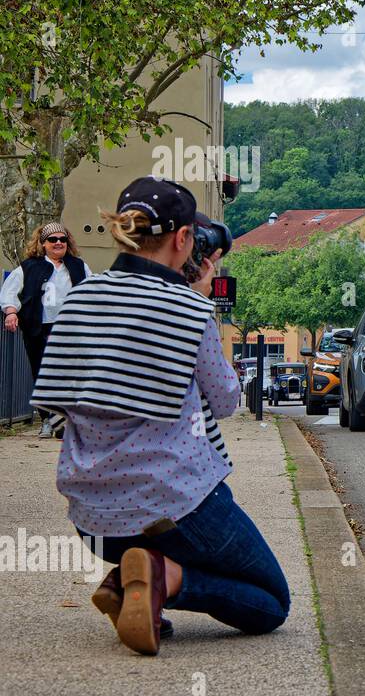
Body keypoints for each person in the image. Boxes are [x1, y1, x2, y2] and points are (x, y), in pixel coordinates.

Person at [29, 177, 289, 656]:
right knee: (272, 603)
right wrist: (200, 302)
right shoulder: (189, 308)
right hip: (171, 509)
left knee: (199, 505)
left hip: (94, 519)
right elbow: (228, 400)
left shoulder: (81, 298)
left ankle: (135, 582)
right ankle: (160, 578)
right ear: (184, 239)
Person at [1, 222, 92, 438]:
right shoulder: (28, 267)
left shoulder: (79, 266)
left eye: (63, 239)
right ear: (43, 244)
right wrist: (11, 312)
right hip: (38, 328)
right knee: (42, 375)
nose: (58, 242)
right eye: (53, 239)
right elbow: (10, 291)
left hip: (71, 329)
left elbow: (92, 293)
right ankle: (47, 420)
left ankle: (66, 422)